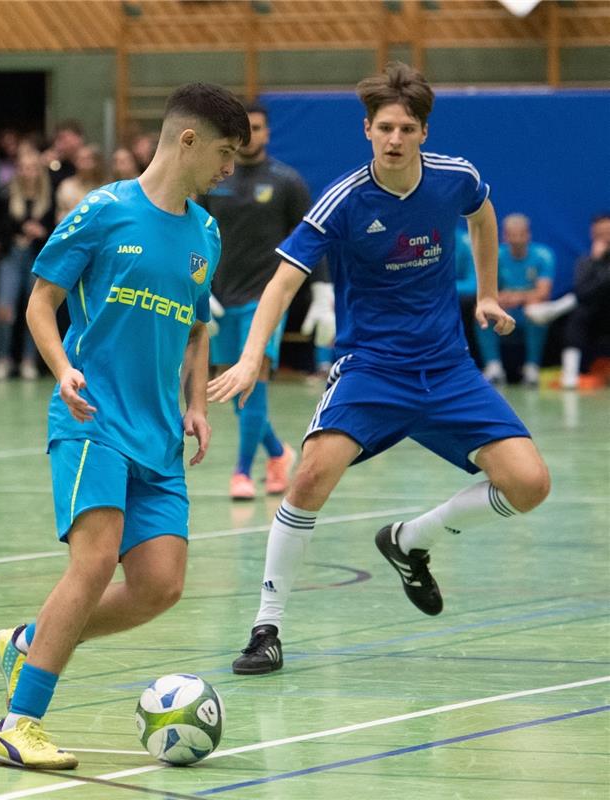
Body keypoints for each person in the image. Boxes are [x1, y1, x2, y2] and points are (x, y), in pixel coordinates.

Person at [208, 62, 550, 675]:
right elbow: (283, 282)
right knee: (309, 478)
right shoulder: (343, 200)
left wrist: (490, 295)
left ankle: (410, 540)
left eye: (407, 128)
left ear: (423, 132)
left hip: (446, 369)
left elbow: (484, 215)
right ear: (367, 130)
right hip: (370, 369)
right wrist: (252, 355)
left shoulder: (456, 178)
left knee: (530, 485)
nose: (395, 139)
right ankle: (266, 628)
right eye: (384, 127)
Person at [0, 83, 249, 769]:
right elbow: (42, 304)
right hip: (91, 416)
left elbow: (197, 326)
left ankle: (30, 640)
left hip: (159, 434)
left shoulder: (207, 233)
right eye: (225, 154)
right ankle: (18, 723)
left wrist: (195, 402)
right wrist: (60, 369)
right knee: (96, 560)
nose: (230, 170)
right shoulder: (101, 212)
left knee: (160, 585)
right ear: (187, 140)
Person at [200, 101, 312, 501]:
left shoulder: (287, 181)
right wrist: (199, 287)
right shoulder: (214, 180)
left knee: (254, 381)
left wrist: (324, 292)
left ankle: (242, 472)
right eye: (245, 129)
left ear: (267, 132)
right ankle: (279, 453)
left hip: (265, 298)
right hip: (220, 297)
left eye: (259, 127)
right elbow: (196, 236)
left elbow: (312, 239)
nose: (252, 135)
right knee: (233, 385)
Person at [0, 146, 53, 381]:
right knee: (4, 309)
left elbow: (58, 228)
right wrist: (18, 230)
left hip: (39, 256)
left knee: (34, 309)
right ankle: (1, 358)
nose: (29, 173)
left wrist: (41, 231)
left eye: (33, 168)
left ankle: (29, 360)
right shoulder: (6, 194)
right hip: (12, 255)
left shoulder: (49, 196)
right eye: (24, 168)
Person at [474, 213, 555, 386]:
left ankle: (532, 368)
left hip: (527, 313)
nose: (517, 239)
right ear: (505, 235)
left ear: (528, 234)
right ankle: (493, 367)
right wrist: (497, 299)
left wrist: (517, 297)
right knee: (483, 312)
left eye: (521, 234)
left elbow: (543, 293)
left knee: (536, 309)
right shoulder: (495, 255)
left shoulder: (543, 255)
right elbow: (488, 291)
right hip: (504, 311)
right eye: (512, 234)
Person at [556, 213, 610, 389]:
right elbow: (582, 291)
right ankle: (570, 375)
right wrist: (596, 261)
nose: (603, 237)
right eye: (598, 233)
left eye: (606, 232)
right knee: (578, 314)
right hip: (594, 316)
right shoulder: (586, 261)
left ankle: (559, 306)